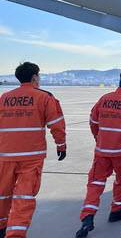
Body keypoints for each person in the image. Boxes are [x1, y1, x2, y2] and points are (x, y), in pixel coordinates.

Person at [76, 70, 121, 238]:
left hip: (102, 151)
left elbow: (93, 121)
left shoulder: (104, 98)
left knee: (95, 183)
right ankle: (116, 210)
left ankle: (88, 216)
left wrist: (99, 138)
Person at [0, 62, 66, 238]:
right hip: (31, 156)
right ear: (35, 77)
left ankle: (2, 227)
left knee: (2, 194)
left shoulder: (5, 97)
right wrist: (61, 145)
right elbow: (56, 124)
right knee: (24, 198)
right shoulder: (44, 97)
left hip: (5, 155)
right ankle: (15, 234)